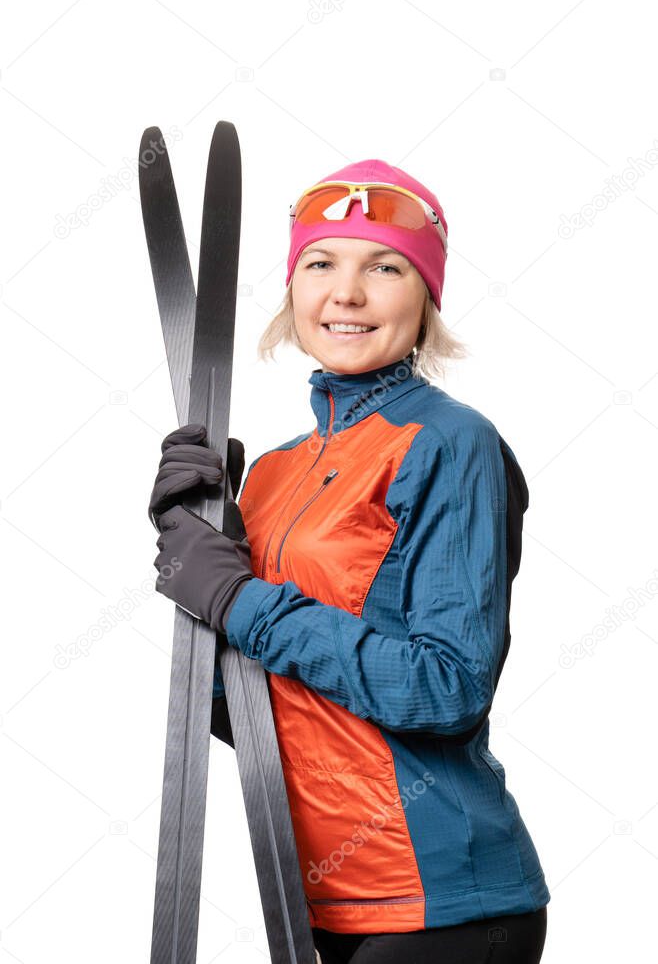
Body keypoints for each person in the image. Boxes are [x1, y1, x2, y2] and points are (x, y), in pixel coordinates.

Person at [148, 159, 550, 963]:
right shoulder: (269, 473)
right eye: (321, 263)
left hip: (447, 904)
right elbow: (257, 714)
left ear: (425, 294)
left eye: (385, 266)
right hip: (312, 898)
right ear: (293, 289)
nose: (348, 293)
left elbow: (449, 687)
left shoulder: (449, 442)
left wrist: (241, 599)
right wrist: (188, 544)